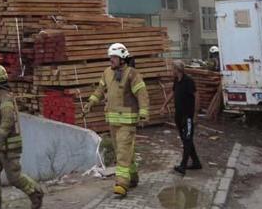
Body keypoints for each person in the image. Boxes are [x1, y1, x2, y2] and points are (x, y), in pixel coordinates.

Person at [0, 64, 44, 209]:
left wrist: (1, 135)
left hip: (7, 144)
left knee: (14, 176)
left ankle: (35, 192)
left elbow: (8, 118)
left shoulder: (4, 97)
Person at [83, 43, 149, 198]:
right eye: (110, 57)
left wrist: (144, 113)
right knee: (125, 152)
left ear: (122, 58)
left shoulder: (132, 74)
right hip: (113, 121)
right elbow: (99, 90)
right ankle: (132, 177)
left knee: (122, 153)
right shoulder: (107, 73)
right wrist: (91, 103)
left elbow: (142, 94)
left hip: (127, 122)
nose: (111, 60)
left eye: (114, 57)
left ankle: (121, 184)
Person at [160, 60, 202, 175]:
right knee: (185, 139)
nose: (171, 71)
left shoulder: (188, 81)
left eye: (172, 69)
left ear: (177, 69)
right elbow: (172, 93)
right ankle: (196, 162)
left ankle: (183, 166)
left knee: (187, 139)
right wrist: (164, 105)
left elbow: (197, 96)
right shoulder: (176, 80)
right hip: (179, 115)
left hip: (188, 116)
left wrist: (195, 115)